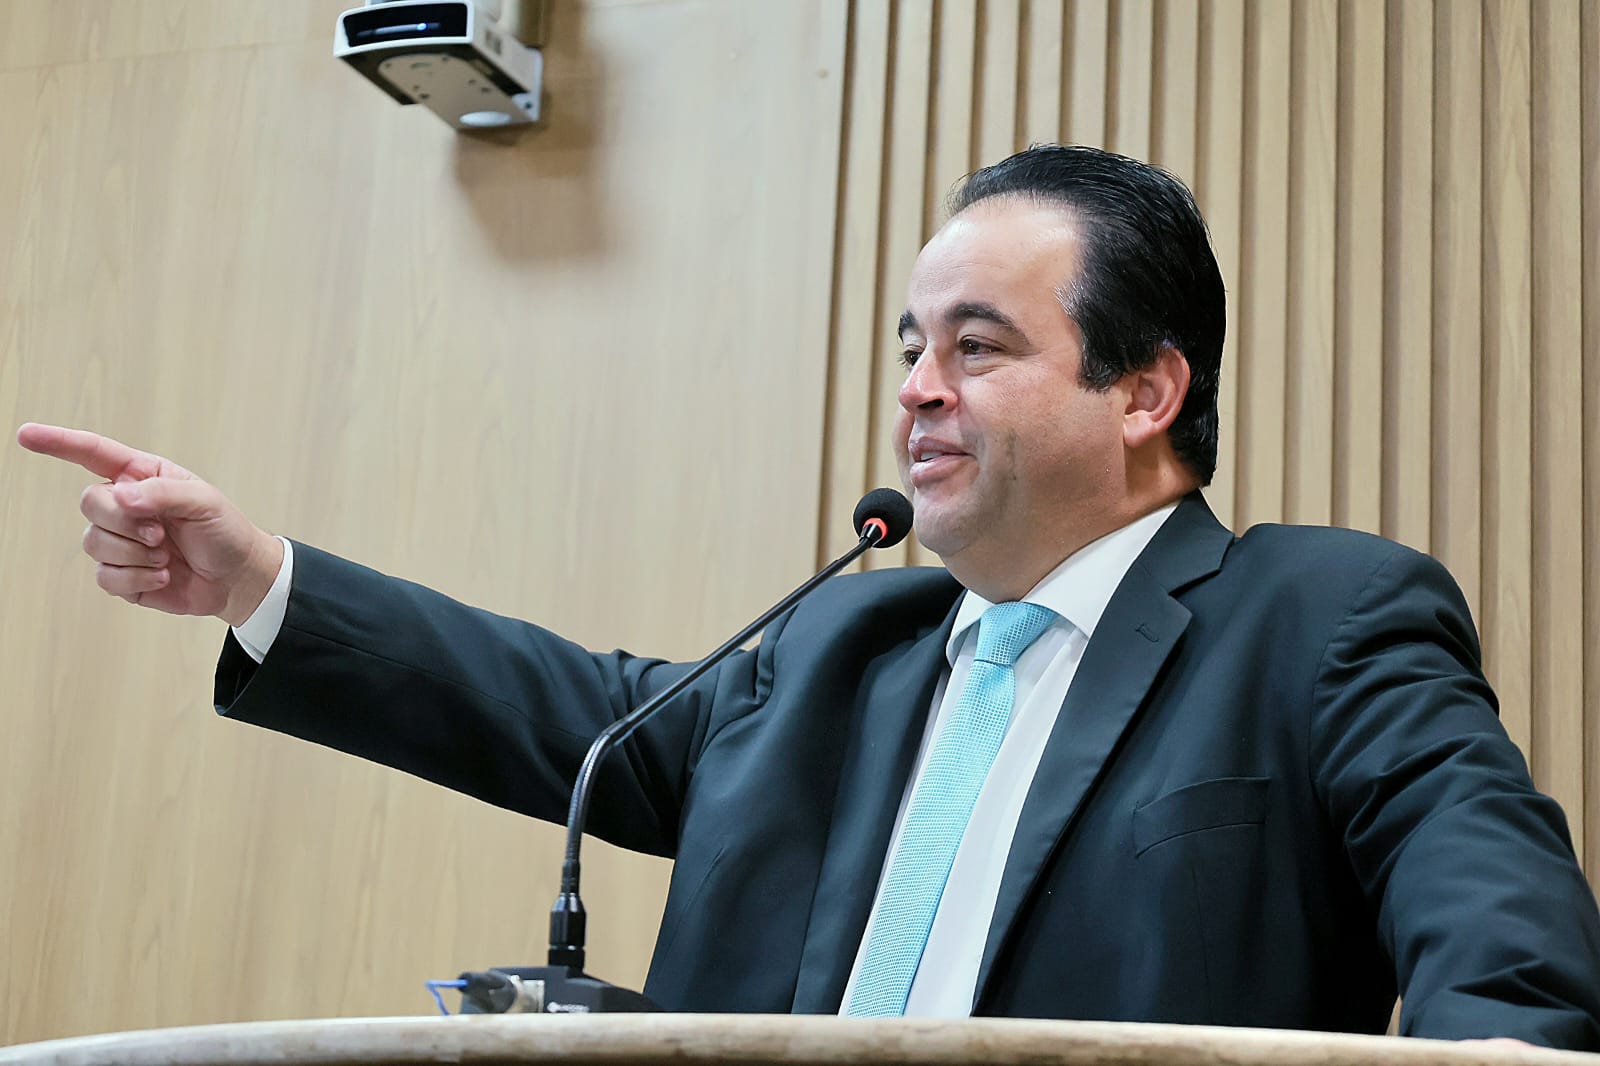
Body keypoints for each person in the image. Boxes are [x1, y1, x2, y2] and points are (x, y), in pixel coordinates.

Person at [20, 145, 1600, 1047]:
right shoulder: (848, 642)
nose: (918, 388)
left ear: (1147, 390)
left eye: (977, 346)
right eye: (912, 347)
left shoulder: (1319, 617)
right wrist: (261, 580)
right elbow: (579, 714)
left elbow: (1511, 952)